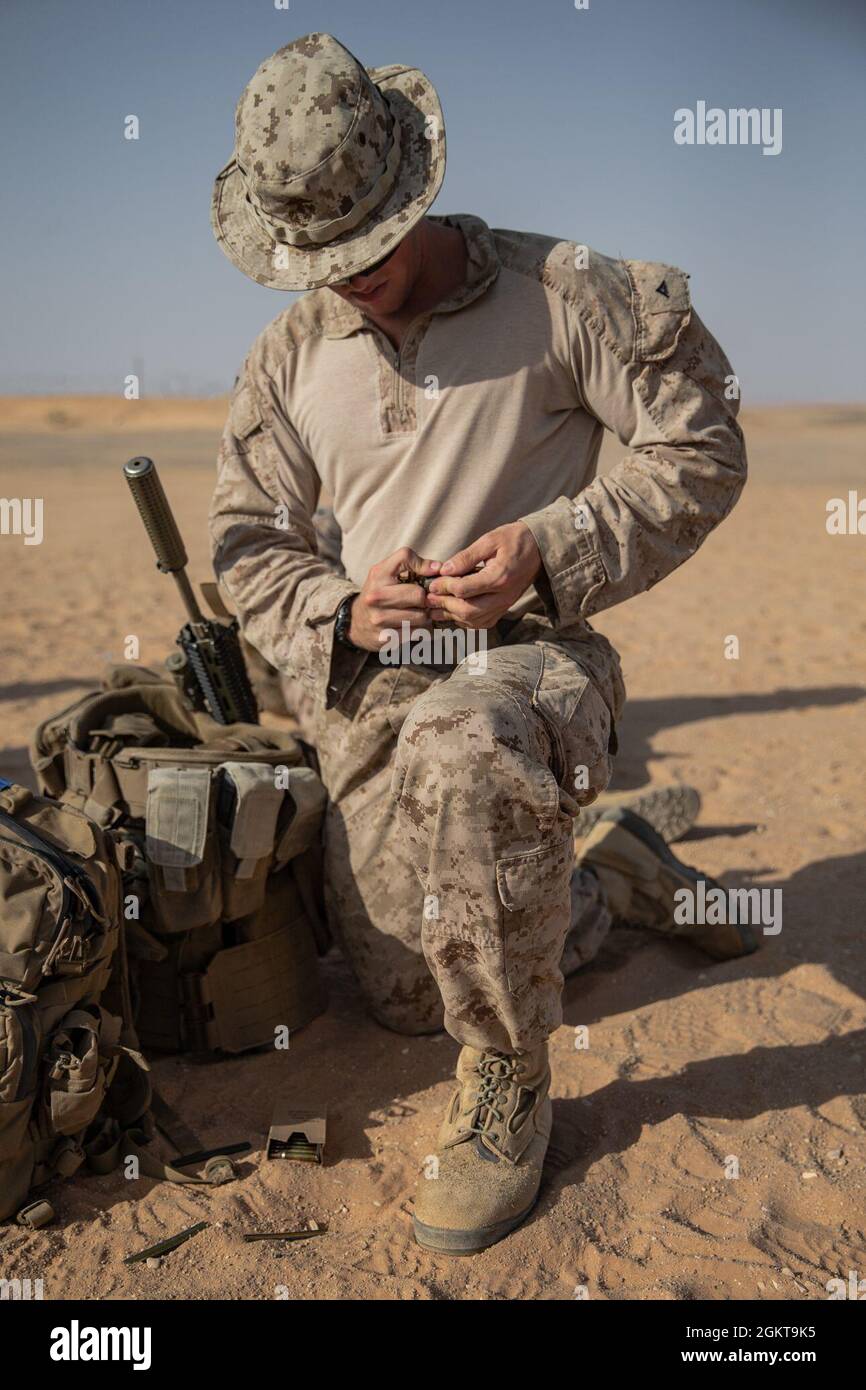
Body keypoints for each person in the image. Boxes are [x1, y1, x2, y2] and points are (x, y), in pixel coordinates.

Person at [209, 33, 755, 1253]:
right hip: (373, 679)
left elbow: (701, 445)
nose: (353, 279)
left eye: (371, 247)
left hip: (527, 663)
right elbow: (246, 542)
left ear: (415, 188)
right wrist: (339, 606)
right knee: (409, 991)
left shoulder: (564, 294)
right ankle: (604, 871)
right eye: (323, 260)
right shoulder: (291, 356)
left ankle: (507, 1077)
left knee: (468, 745)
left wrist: (551, 547)